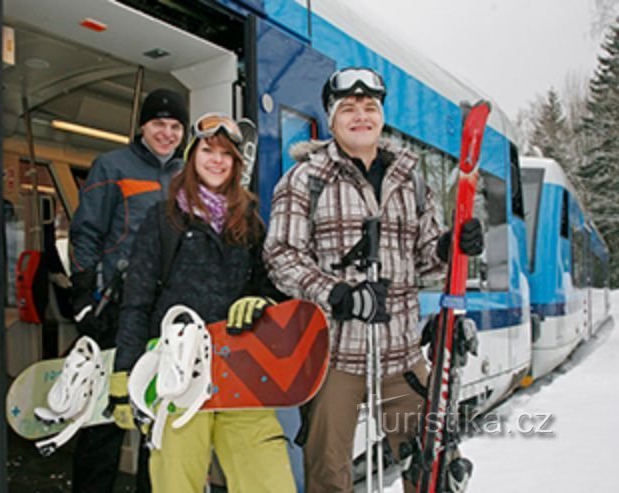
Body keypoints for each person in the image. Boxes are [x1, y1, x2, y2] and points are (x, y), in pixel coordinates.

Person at [262, 67, 483, 493]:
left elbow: (426, 264)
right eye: (348, 108)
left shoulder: (411, 182)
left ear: (381, 116)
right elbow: (279, 256)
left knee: (432, 465)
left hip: (401, 354)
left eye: (370, 107)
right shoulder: (303, 180)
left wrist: (448, 248)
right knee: (329, 475)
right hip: (334, 357)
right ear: (332, 119)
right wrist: (336, 293)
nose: (360, 116)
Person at [111, 113, 297, 493]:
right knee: (177, 482)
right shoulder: (162, 220)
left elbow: (273, 287)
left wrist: (262, 302)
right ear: (192, 156)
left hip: (241, 368)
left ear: (236, 163)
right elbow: (138, 300)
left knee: (269, 481)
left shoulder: (250, 224)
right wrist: (124, 373)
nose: (217, 160)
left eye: (226, 154)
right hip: (177, 373)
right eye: (208, 151)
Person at [69, 88, 188, 493]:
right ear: (142, 126)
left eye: (175, 126)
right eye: (159, 124)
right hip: (115, 309)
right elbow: (85, 231)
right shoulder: (111, 166)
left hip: (164, 313)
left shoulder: (186, 174)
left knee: (157, 418)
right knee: (104, 416)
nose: (167, 133)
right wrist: (83, 294)